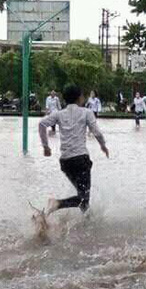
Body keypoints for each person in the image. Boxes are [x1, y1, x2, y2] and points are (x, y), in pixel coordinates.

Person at [39, 83, 109, 215]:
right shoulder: (86, 112)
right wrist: (103, 146)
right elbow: (97, 132)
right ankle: (57, 203)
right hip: (81, 160)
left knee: (82, 197)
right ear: (79, 98)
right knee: (84, 198)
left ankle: (86, 224)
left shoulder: (59, 114)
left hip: (66, 162)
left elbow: (42, 124)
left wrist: (46, 147)